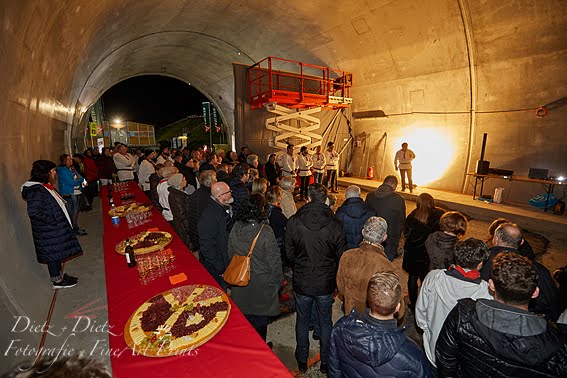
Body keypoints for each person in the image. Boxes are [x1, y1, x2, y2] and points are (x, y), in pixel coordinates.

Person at [436, 253, 567, 377]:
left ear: (491, 285)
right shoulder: (557, 344)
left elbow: (445, 360)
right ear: (535, 292)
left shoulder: (463, 314)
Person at [286, 183, 348, 373]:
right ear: (325, 199)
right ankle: (325, 363)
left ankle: (302, 361)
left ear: (308, 198)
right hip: (325, 282)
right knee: (325, 321)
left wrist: (299, 264)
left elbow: (288, 253)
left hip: (302, 280)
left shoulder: (294, 221)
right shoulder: (336, 223)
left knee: (302, 321)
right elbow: (341, 255)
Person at [329, 272, 432, 378]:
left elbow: (334, 371)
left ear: (368, 300)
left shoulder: (341, 327)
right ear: (398, 307)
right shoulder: (414, 356)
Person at [415, 238, 491, 368]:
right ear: (480, 264)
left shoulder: (434, 277)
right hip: (460, 359)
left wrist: (428, 331)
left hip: (432, 347)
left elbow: (420, 311)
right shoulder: (486, 292)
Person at [227, 194, 283, 342]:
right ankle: (260, 347)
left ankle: (246, 344)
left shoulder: (235, 227)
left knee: (244, 320)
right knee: (259, 321)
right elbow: (274, 261)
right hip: (262, 284)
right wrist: (278, 282)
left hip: (240, 281)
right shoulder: (265, 231)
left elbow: (230, 253)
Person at [21, 160, 81, 289]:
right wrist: (54, 221)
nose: (55, 173)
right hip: (49, 229)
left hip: (53, 229)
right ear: (45, 173)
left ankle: (59, 276)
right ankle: (57, 282)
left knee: (57, 254)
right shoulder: (36, 190)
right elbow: (34, 212)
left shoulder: (43, 186)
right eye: (53, 171)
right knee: (52, 255)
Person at [481, 223, 560, 320]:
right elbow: (551, 301)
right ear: (522, 242)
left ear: (496, 239)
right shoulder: (537, 270)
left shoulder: (481, 262)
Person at [336, 217, 407, 319]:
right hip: (373, 320)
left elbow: (341, 289)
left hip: (350, 315)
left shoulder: (347, 256)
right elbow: (398, 309)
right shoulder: (388, 267)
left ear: (363, 232)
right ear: (384, 237)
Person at [402, 193, 445, 308]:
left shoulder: (412, 216)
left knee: (412, 278)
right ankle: (424, 303)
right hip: (428, 254)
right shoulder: (439, 216)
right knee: (426, 280)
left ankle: (413, 302)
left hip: (413, 253)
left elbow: (406, 233)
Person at [198, 182, 235, 291]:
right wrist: (220, 267)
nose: (231, 193)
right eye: (229, 191)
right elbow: (207, 245)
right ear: (222, 196)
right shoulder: (209, 215)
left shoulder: (220, 207)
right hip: (216, 265)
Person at [365, 175, 405, 261]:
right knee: (384, 264)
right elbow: (402, 221)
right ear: (394, 185)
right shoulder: (399, 200)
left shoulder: (370, 196)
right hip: (390, 240)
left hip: (371, 237)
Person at [335, 185, 377, 249]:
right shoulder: (371, 212)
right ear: (359, 195)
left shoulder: (340, 213)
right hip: (364, 248)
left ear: (346, 196)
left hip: (346, 249)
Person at [56, 154, 87, 236]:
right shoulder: (62, 170)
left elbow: (79, 176)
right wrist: (80, 180)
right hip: (69, 193)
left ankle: (75, 227)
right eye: (68, 159)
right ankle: (73, 229)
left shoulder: (71, 168)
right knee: (72, 212)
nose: (70, 161)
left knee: (75, 211)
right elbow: (71, 182)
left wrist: (80, 179)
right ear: (63, 161)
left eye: (71, 159)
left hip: (76, 191)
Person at [187, 170, 217, 253]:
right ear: (211, 182)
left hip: (195, 234)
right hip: (204, 236)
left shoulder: (196, 193)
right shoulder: (210, 197)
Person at [265, 186, 288, 272]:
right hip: (278, 239)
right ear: (278, 197)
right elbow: (287, 223)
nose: (281, 197)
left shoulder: (266, 208)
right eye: (280, 196)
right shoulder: (276, 213)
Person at [167, 173, 191, 248]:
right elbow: (182, 215)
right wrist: (189, 229)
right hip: (183, 227)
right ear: (179, 182)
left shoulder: (178, 193)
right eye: (184, 179)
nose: (186, 181)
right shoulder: (177, 196)